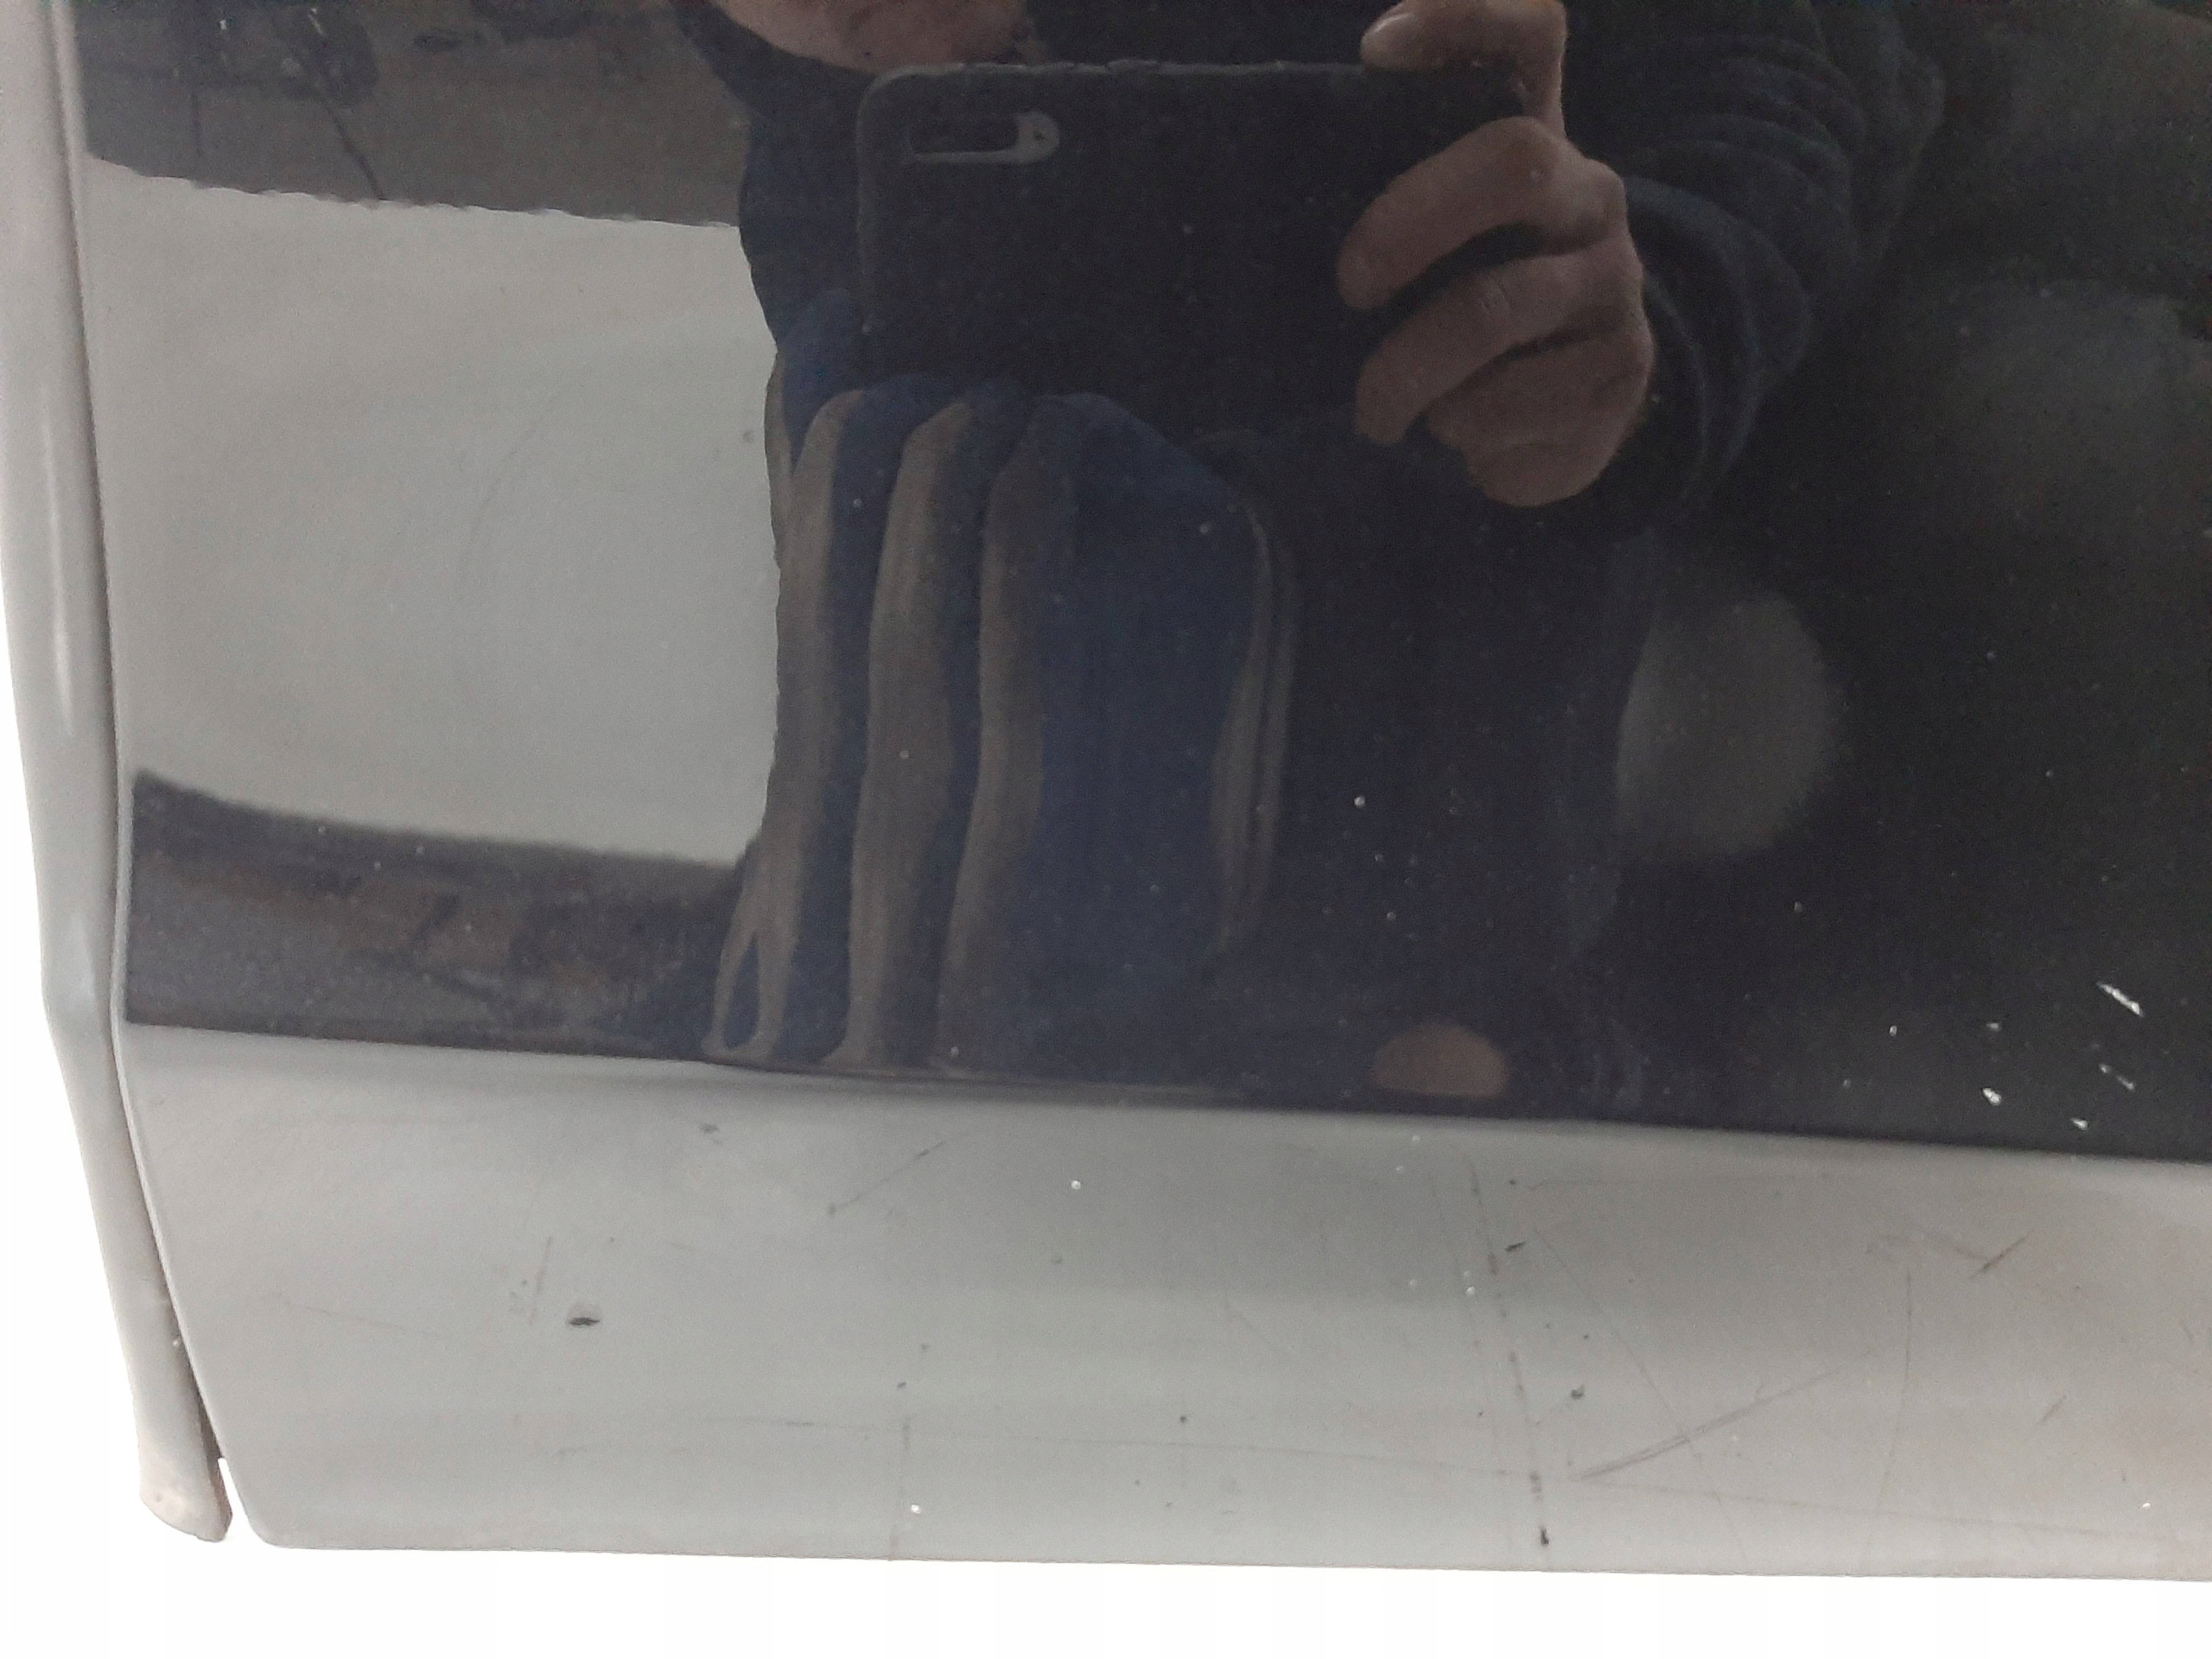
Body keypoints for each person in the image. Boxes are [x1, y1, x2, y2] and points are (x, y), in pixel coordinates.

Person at [674, 0, 1947, 1110]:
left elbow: (1798, 59)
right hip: (1340, 987)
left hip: (1809, 673)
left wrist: (1662, 306)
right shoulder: (831, 188)